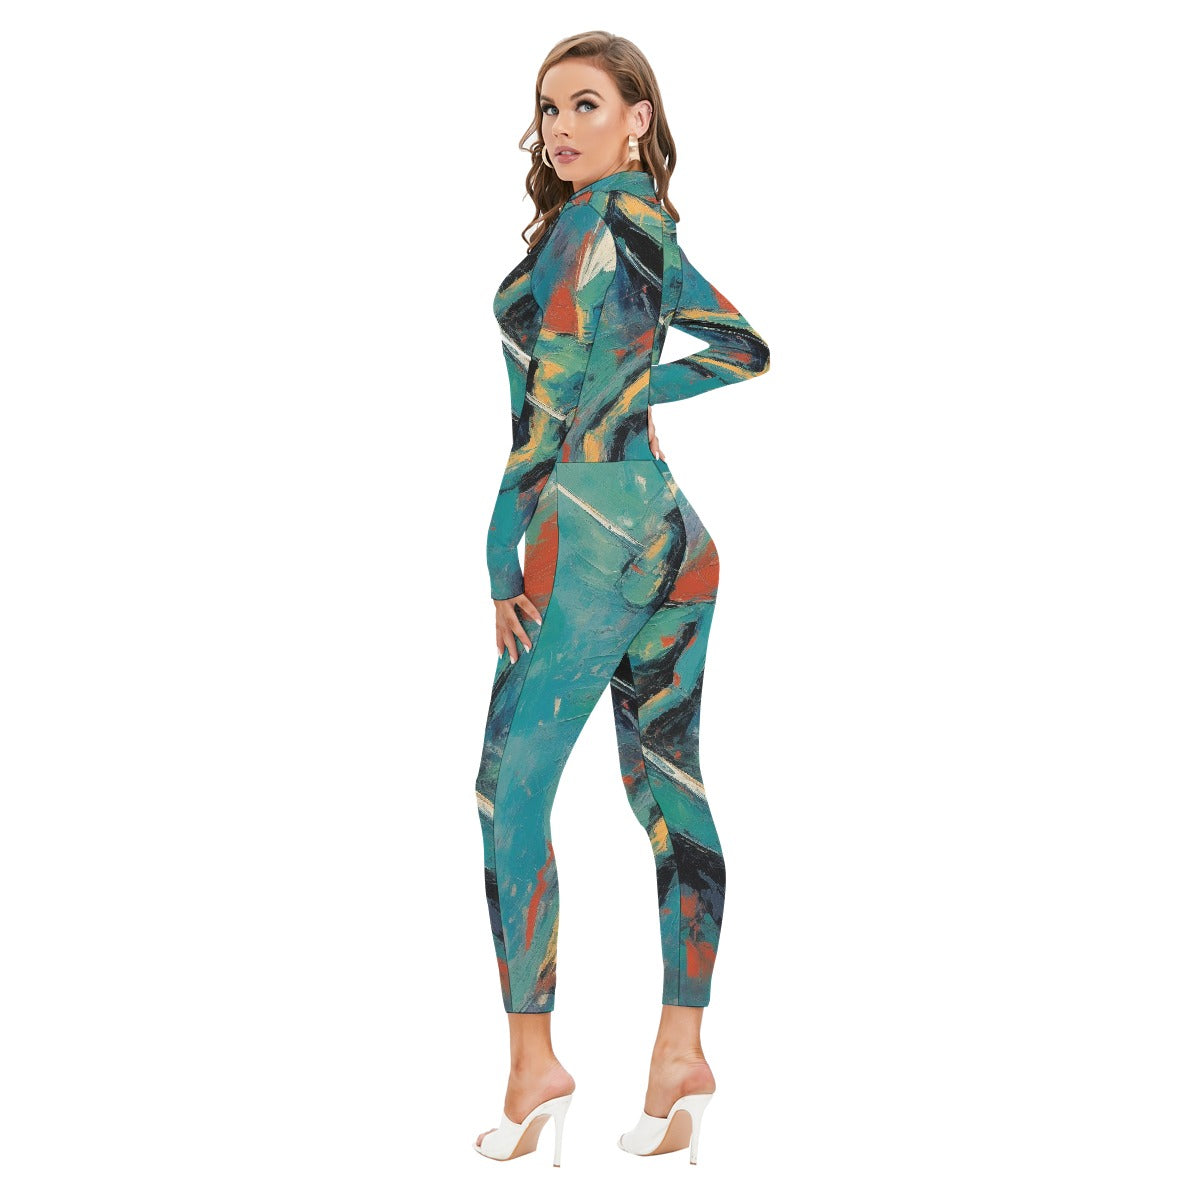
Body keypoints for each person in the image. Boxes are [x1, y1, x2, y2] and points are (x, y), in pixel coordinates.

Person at [473, 32, 770, 1165]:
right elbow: (740, 349)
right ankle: (681, 1052)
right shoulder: (648, 226)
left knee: (507, 796)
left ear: (638, 117)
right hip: (673, 535)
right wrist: (633, 391)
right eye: (549, 108)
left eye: (586, 105)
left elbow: (546, 420)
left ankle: (532, 1068)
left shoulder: (585, 230)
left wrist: (499, 554)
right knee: (668, 787)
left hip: (589, 533)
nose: (559, 127)